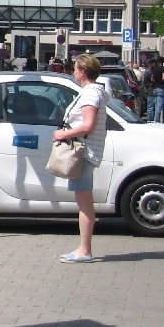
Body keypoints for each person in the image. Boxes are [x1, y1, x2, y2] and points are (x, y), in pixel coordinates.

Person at [54, 53, 108, 263]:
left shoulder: (90, 95)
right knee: (83, 200)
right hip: (87, 150)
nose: (73, 72)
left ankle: (84, 250)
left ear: (83, 71)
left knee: (84, 202)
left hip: (84, 151)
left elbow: (88, 125)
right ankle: (83, 248)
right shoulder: (93, 92)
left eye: (75, 68)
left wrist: (63, 134)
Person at [146, 56, 164, 124]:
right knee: (159, 106)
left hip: (155, 88)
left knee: (155, 105)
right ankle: (157, 121)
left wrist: (154, 83)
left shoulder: (154, 69)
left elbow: (152, 79)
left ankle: (151, 120)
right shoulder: (163, 69)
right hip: (161, 88)